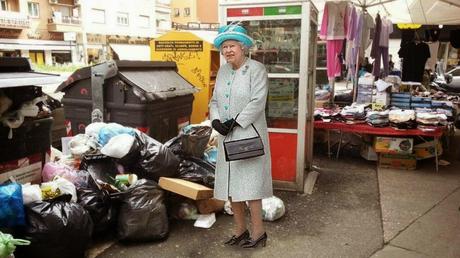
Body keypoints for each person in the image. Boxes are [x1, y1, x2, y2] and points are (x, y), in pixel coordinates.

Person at [209, 24, 273, 248]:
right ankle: (240, 230)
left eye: (232, 45)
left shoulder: (256, 69)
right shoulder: (223, 71)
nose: (228, 50)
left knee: (251, 188)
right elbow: (215, 100)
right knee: (230, 187)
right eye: (224, 46)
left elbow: (258, 101)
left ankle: (259, 233)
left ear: (243, 47)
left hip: (248, 134)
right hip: (226, 137)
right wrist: (216, 120)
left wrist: (236, 121)